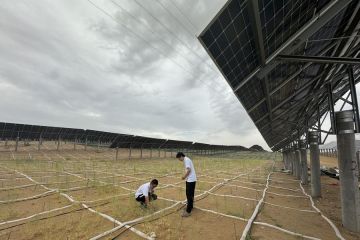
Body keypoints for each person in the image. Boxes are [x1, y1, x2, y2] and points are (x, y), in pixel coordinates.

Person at [176, 152, 197, 217]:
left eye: (179, 158)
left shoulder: (186, 160)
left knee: (189, 194)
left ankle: (188, 211)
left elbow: (189, 170)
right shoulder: (187, 159)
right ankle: (190, 207)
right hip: (191, 179)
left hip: (190, 180)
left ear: (181, 156)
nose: (179, 160)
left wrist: (184, 177)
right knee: (191, 194)